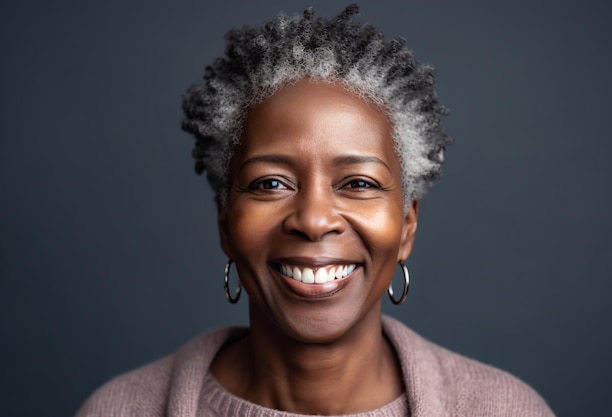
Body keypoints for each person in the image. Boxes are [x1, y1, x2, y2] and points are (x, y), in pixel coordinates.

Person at [76, 5, 555, 416]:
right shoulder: (120, 408)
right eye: (270, 183)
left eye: (359, 183)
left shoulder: (505, 409)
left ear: (407, 224)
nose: (313, 219)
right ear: (225, 222)